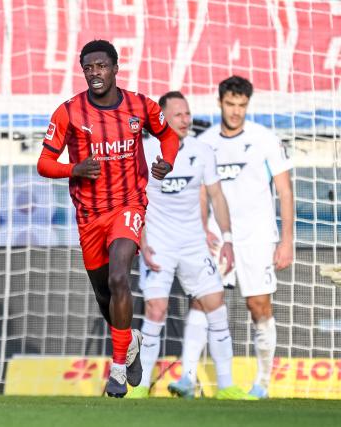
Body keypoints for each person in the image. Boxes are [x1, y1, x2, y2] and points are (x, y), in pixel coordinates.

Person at [36, 39, 180, 398]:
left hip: (128, 205)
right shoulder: (68, 112)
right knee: (105, 294)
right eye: (88, 67)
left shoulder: (139, 105)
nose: (94, 73)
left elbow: (169, 136)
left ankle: (116, 370)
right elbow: (44, 163)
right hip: (89, 215)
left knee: (120, 276)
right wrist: (75, 168)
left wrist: (168, 161)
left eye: (101, 66)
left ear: (115, 68)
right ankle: (129, 339)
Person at [129, 91, 252, 400]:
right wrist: (141, 242)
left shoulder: (202, 151)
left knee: (215, 306)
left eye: (187, 114)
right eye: (178, 115)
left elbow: (216, 196)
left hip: (194, 243)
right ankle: (141, 387)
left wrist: (227, 238)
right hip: (158, 243)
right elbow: (132, 200)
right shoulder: (143, 152)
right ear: (162, 119)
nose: (186, 120)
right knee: (155, 310)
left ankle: (226, 386)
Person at [196, 75, 294, 398]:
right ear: (220, 102)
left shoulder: (264, 139)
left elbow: (284, 190)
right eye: (230, 104)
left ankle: (262, 384)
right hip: (217, 236)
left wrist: (287, 241)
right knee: (204, 303)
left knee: (258, 305)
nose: (236, 111)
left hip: (257, 236)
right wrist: (200, 231)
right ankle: (192, 377)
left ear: (247, 105)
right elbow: (199, 192)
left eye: (242, 105)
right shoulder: (207, 141)